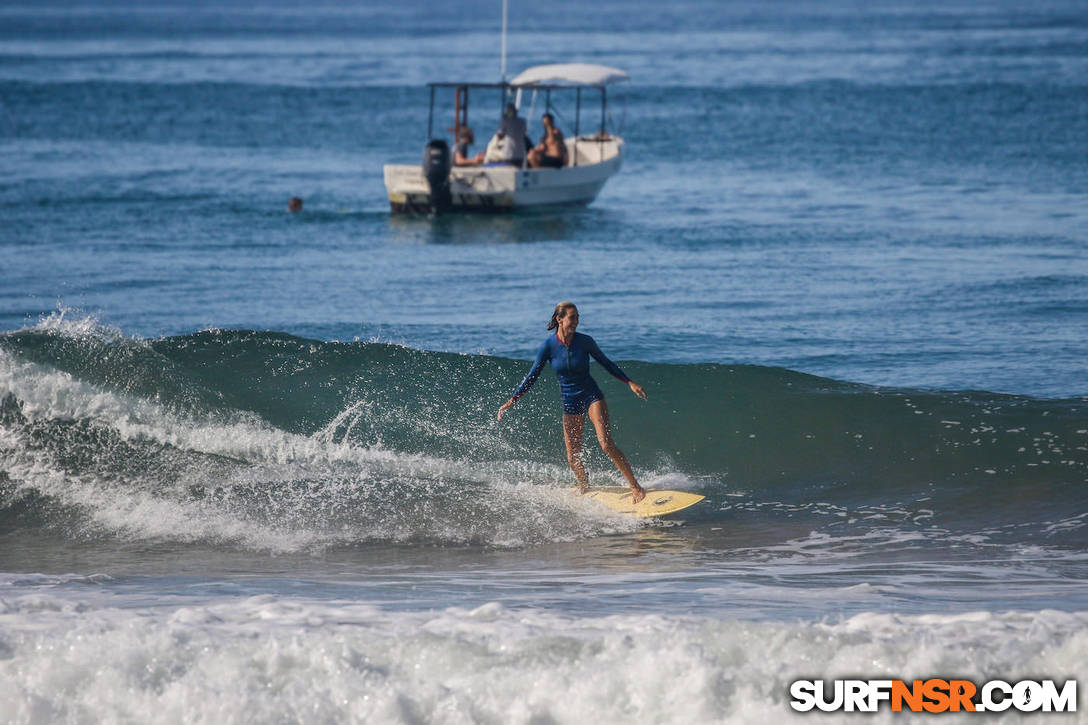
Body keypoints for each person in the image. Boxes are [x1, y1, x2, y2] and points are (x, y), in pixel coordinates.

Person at [497, 302, 648, 503]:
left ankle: (636, 487)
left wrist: (629, 382)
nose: (576, 321)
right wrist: (512, 399)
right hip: (570, 401)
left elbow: (606, 363)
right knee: (572, 456)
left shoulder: (585, 342)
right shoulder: (548, 347)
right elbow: (532, 375)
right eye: (572, 317)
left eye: (577, 317)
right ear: (560, 319)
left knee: (606, 445)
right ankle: (585, 486)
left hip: (591, 396)